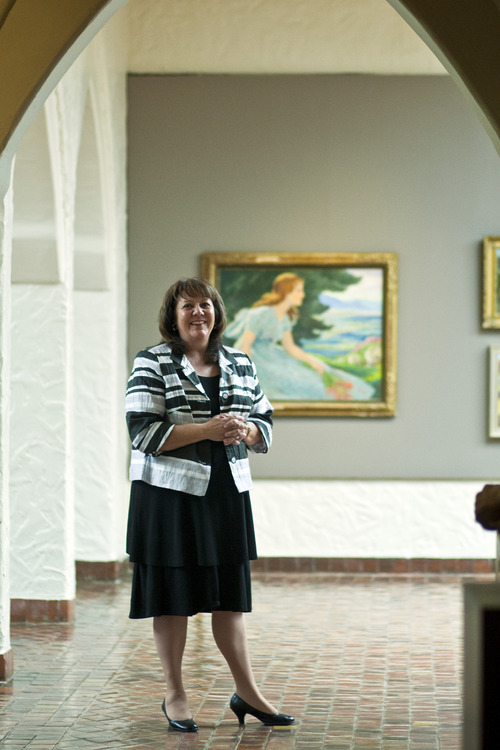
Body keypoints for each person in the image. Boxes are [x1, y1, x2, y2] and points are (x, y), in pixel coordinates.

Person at [125, 277, 294, 733]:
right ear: (173, 315)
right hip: (167, 501)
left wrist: (249, 432)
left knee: (230, 601)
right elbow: (142, 431)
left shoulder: (239, 361)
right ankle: (175, 695)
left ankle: (249, 692)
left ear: (217, 313)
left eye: (205, 305)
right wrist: (208, 430)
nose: (198, 313)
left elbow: (265, 419)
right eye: (187, 306)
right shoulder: (152, 361)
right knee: (172, 600)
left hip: (226, 496)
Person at [225, 272, 373, 401]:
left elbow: (290, 347)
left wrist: (314, 363)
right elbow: (245, 347)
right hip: (252, 358)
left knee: (319, 368)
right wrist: (248, 374)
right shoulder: (260, 313)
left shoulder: (288, 316)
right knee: (298, 381)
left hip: (271, 354)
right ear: (286, 292)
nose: (302, 294)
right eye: (298, 290)